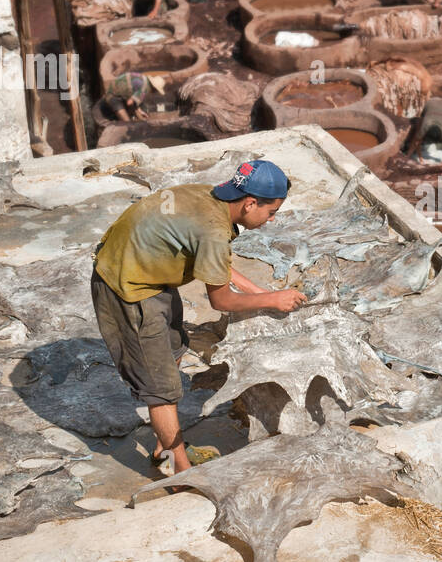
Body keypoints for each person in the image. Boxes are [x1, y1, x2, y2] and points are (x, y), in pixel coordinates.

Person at [91, 161, 306, 474]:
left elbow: (217, 264)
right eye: (271, 212)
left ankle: (163, 446)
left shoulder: (209, 198)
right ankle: (180, 472)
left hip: (148, 270)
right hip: (126, 287)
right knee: (160, 389)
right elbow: (221, 300)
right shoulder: (215, 230)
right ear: (249, 204)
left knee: (174, 350)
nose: (271, 220)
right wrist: (271, 299)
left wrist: (260, 293)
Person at [101, 72, 165, 122]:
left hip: (115, 90)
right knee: (127, 124)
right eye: (156, 91)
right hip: (113, 97)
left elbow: (132, 98)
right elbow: (130, 102)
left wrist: (139, 111)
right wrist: (140, 118)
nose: (155, 93)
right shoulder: (145, 89)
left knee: (134, 111)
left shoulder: (144, 78)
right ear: (154, 88)